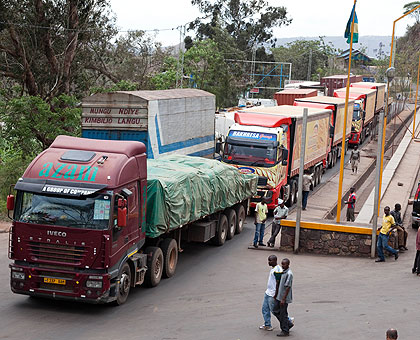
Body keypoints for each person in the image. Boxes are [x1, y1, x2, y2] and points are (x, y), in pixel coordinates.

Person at [259, 255, 283, 331]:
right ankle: (267, 324)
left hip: (272, 294)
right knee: (265, 309)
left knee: (274, 310)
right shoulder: (273, 269)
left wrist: (276, 295)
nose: (269, 262)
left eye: (270, 260)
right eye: (268, 260)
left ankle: (288, 321)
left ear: (275, 260)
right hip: (268, 292)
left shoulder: (278, 270)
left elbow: (278, 283)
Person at [272, 258, 294, 337]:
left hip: (283, 298)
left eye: (284, 264)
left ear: (288, 265)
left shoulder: (289, 274)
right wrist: (276, 294)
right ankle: (288, 323)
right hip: (279, 296)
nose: (282, 265)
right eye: (282, 264)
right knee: (275, 310)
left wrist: (283, 299)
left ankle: (285, 330)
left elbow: (288, 287)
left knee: (283, 313)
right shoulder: (282, 272)